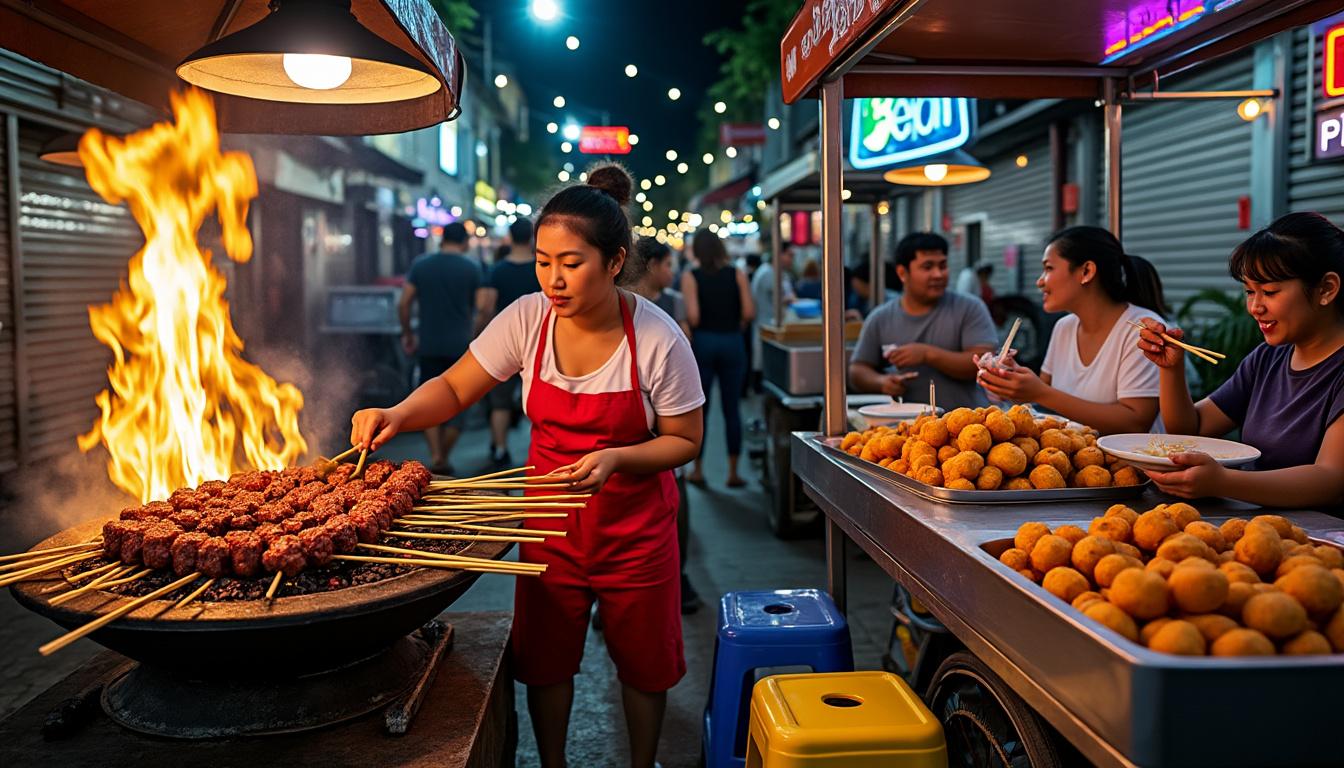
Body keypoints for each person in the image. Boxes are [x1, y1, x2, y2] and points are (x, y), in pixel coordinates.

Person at [352, 165, 704, 767]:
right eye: (544, 262)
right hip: (546, 524)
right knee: (545, 661)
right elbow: (456, 386)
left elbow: (685, 438)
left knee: (646, 665)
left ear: (615, 261)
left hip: (636, 529)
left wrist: (619, 456)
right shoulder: (526, 319)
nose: (554, 280)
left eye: (571, 263)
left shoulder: (657, 337)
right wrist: (398, 413)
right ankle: (553, 763)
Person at [1136, 212, 1344, 508]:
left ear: (1326, 289)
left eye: (1270, 292)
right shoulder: (1268, 357)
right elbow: (1192, 429)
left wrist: (1224, 482)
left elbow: (1331, 479)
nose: (1255, 307)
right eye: (1249, 291)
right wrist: (1171, 368)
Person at [976, 226, 1168, 435]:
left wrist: (1040, 393)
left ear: (1086, 271)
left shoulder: (1141, 329)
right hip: (1076, 458)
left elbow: (1136, 422)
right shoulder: (1064, 327)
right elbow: (1041, 396)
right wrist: (1008, 378)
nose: (1039, 281)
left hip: (1135, 465)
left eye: (1049, 268)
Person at [849, 232, 997, 407]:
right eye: (927, 267)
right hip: (906, 428)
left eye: (943, 266)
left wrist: (927, 354)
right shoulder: (880, 318)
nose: (938, 274)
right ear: (902, 273)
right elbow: (857, 370)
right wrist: (881, 382)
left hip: (967, 427)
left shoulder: (970, 307)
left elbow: (983, 364)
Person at [634, 236, 702, 614]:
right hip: (637, 423)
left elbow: (686, 346)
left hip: (672, 411)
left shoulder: (671, 304)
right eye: (666, 265)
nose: (671, 272)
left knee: (674, 491)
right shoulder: (613, 305)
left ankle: (679, 575)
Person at [399, 221, 485, 475]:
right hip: (461, 346)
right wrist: (477, 335)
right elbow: (482, 308)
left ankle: (435, 455)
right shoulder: (472, 268)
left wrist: (407, 333)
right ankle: (444, 455)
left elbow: (404, 303)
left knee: (427, 399)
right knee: (461, 402)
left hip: (429, 344)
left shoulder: (421, 265)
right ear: (465, 242)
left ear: (441, 239)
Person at [682, 228, 755, 488]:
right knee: (731, 409)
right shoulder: (737, 273)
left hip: (704, 343)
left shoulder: (691, 276)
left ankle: (698, 470)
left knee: (700, 408)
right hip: (732, 341)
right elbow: (749, 311)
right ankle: (733, 472)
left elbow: (694, 317)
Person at [479, 218, 542, 467]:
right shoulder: (541, 268)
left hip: (503, 344)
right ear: (531, 237)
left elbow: (486, 307)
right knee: (541, 401)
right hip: (540, 342)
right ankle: (537, 451)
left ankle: (500, 448)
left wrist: (481, 334)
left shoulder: (498, 270)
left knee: (500, 401)